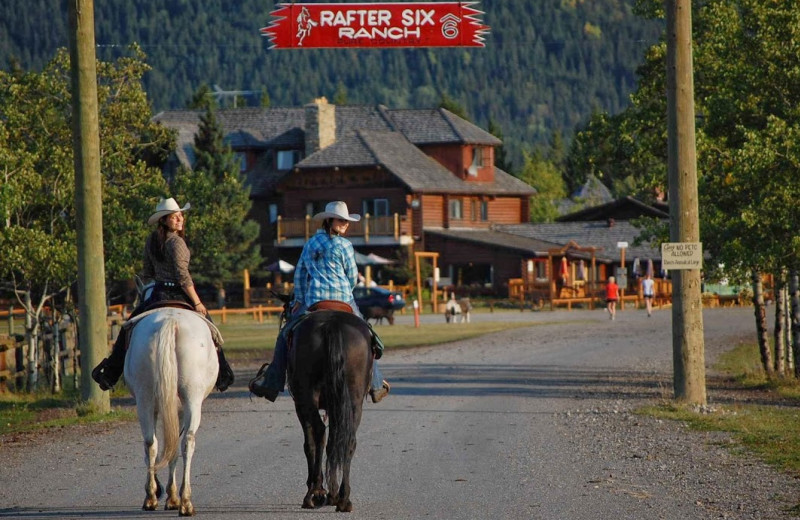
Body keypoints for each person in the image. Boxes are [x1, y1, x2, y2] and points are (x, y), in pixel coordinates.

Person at [249, 201, 390, 403]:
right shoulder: (345, 245)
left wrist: (298, 299)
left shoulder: (310, 243)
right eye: (341, 220)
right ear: (329, 220)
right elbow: (351, 276)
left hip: (314, 298)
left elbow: (300, 274)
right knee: (367, 335)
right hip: (343, 298)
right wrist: (345, 292)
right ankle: (376, 385)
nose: (345, 224)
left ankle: (272, 381)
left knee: (285, 334)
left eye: (347, 221)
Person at [91, 197, 234, 392]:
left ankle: (110, 374)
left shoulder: (151, 240)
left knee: (127, 329)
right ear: (164, 220)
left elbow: (147, 271)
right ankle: (223, 374)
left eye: (180, 216)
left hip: (157, 293)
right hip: (178, 293)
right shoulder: (178, 243)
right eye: (174, 217)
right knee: (211, 329)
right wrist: (198, 302)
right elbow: (183, 277)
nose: (180, 219)